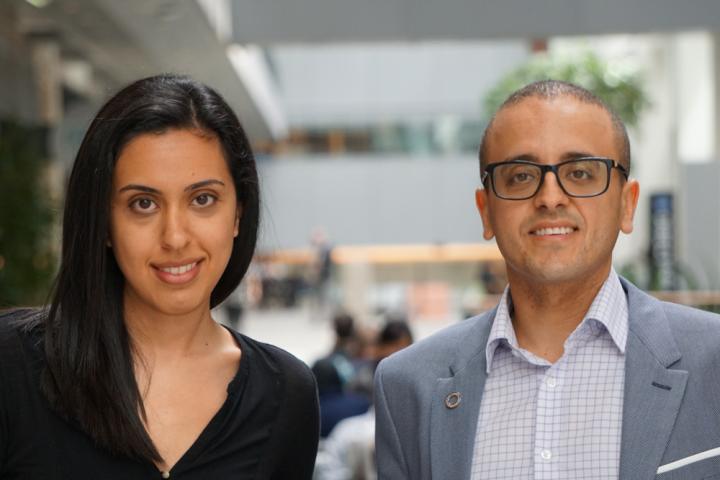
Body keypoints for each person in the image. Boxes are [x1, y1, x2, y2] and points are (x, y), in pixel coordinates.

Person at [374, 80, 720, 479]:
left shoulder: (713, 361)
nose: (550, 197)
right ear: (486, 211)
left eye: (581, 173)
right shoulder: (407, 387)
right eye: (521, 176)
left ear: (627, 204)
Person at [0, 74, 319, 479]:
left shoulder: (286, 395)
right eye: (143, 203)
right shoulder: (12, 367)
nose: (175, 237)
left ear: (238, 212)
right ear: (103, 222)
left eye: (203, 199)